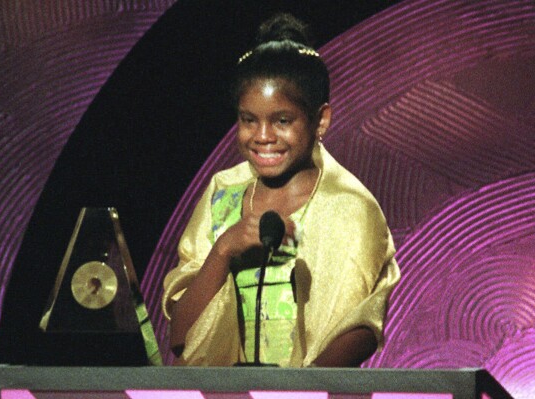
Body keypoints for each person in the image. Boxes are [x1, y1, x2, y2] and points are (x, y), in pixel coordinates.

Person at [161, 13, 400, 367]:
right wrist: (225, 247)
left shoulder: (350, 207)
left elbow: (356, 334)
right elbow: (180, 338)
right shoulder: (221, 193)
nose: (262, 136)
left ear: (320, 120)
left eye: (282, 121)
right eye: (249, 120)